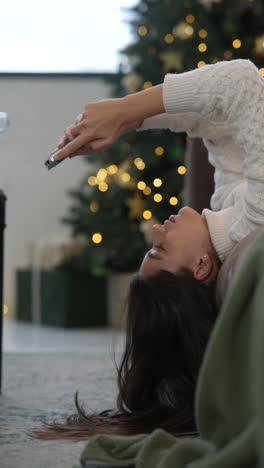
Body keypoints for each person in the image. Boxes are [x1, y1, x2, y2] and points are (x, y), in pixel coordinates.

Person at [30, 58, 264, 441]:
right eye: (159, 252)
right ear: (202, 266)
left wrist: (129, 123)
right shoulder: (255, 217)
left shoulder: (228, 212)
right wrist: (125, 109)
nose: (156, 231)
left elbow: (220, 124)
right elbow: (240, 82)